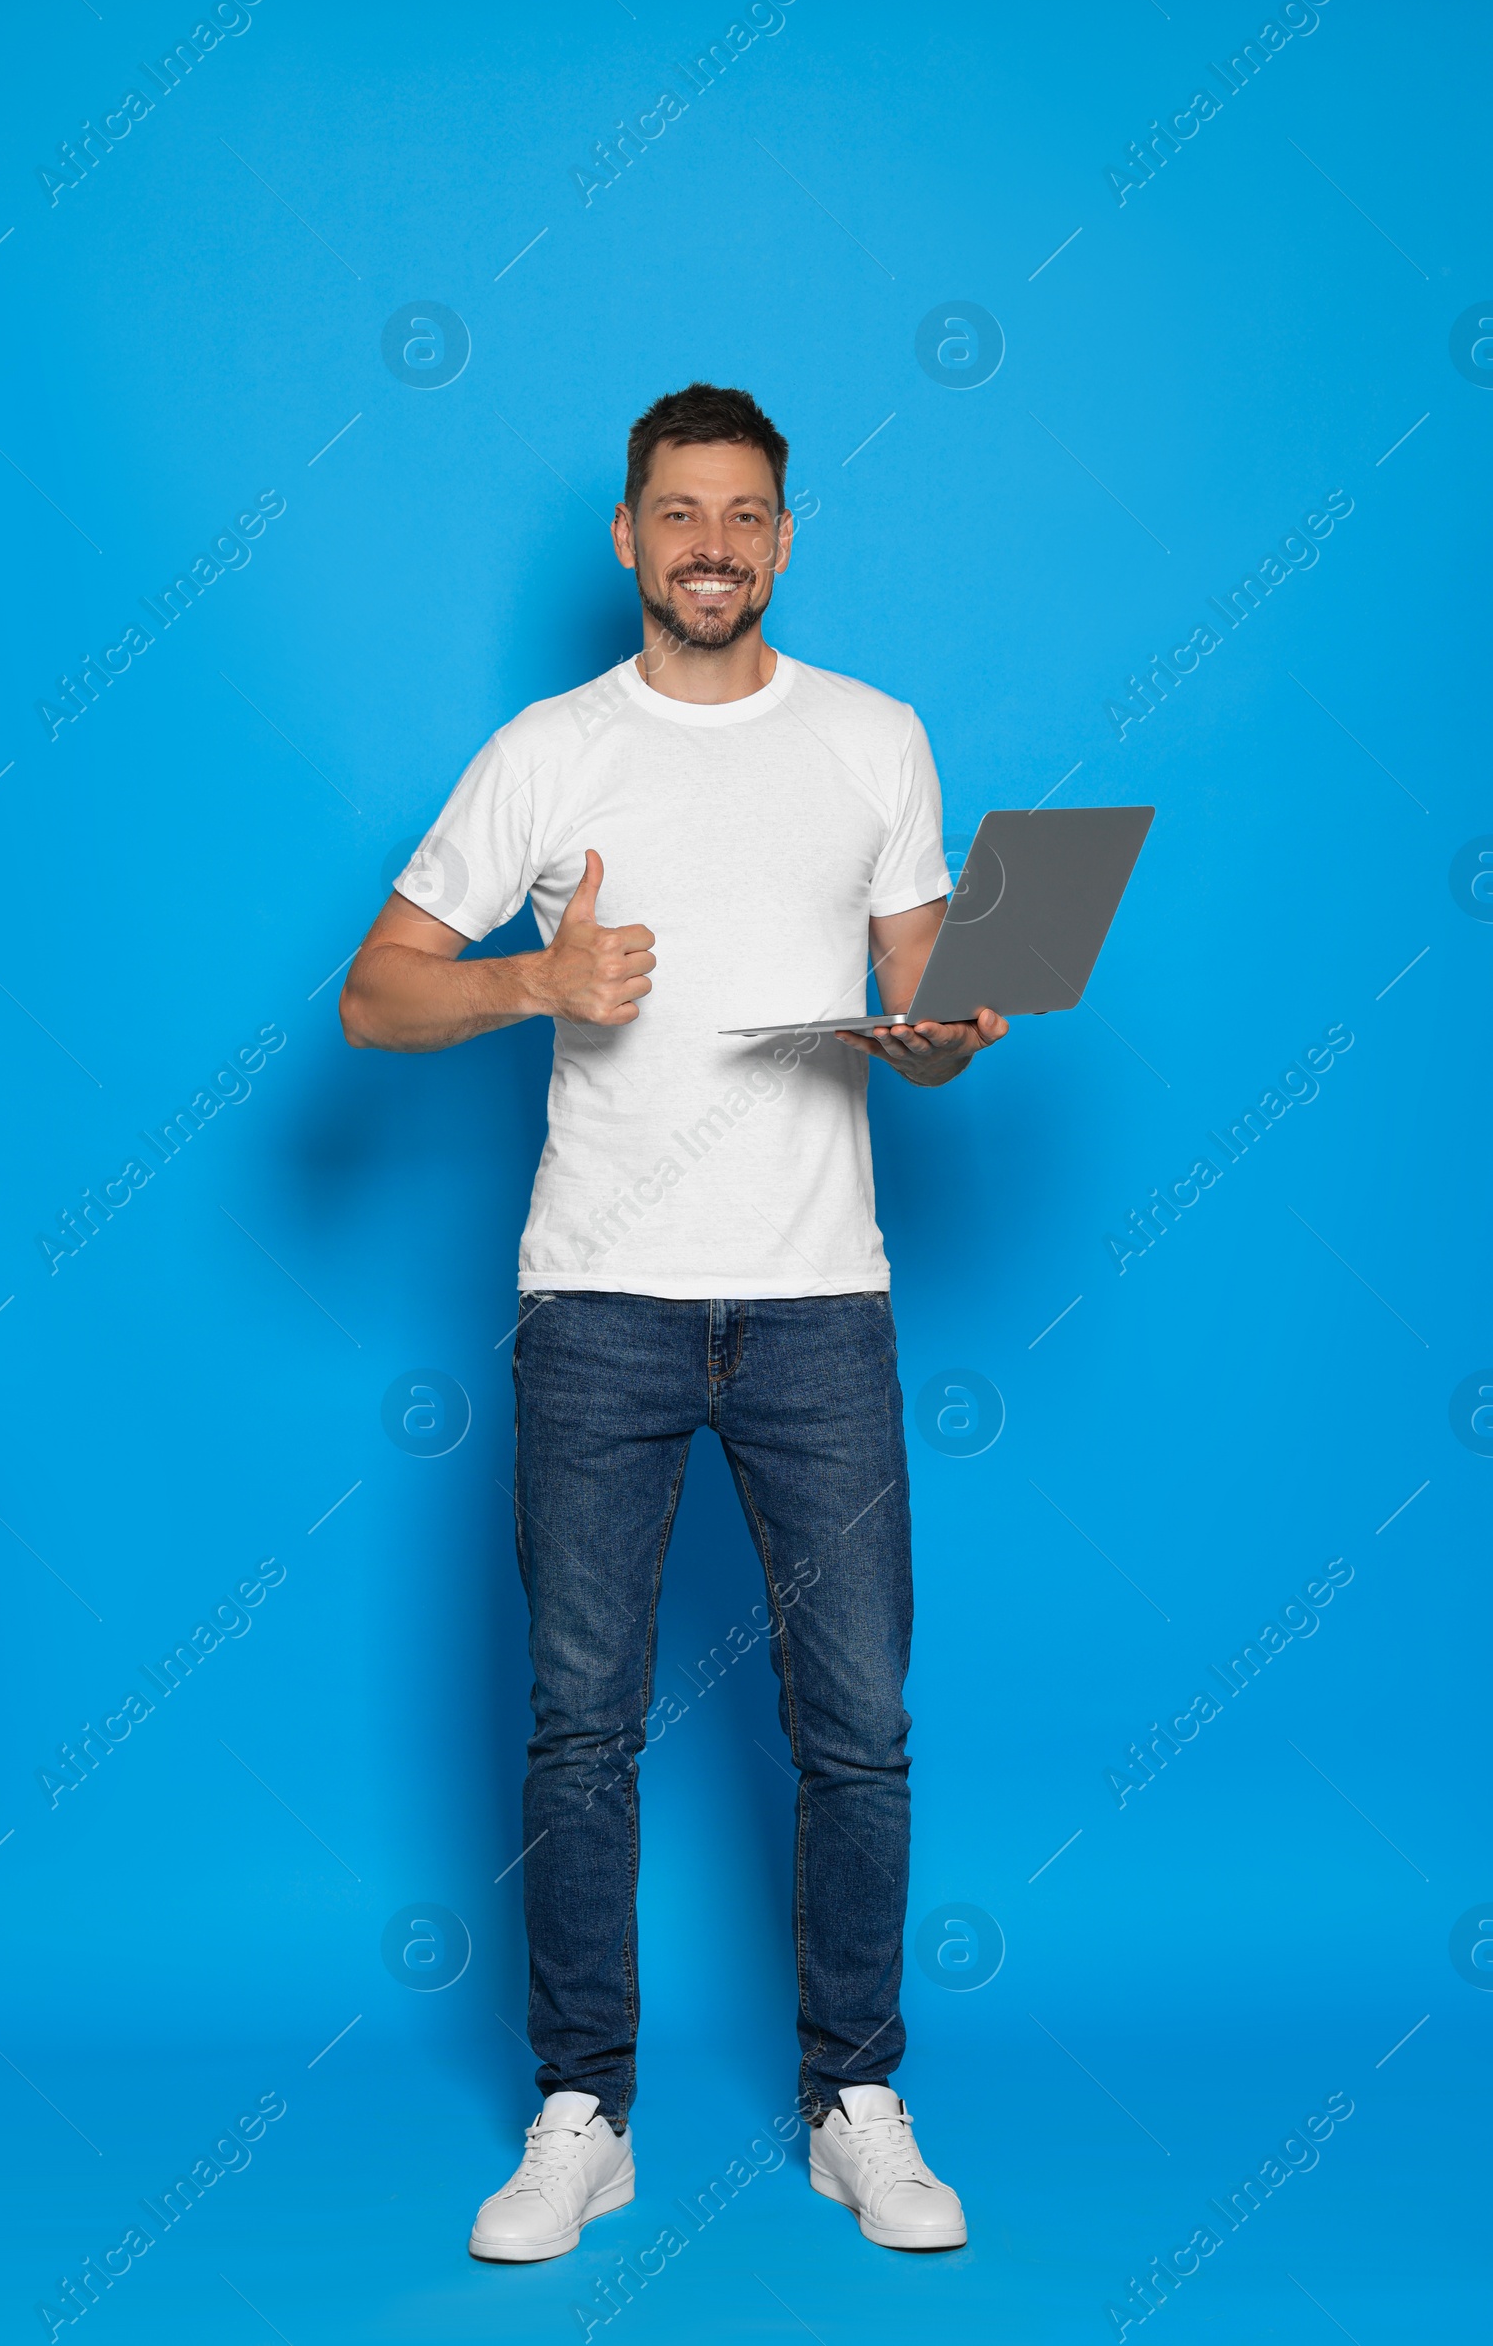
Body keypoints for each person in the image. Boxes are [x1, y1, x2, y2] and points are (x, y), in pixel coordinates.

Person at [339, 382, 1007, 2261]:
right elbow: (373, 997)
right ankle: (584, 2111)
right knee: (580, 1723)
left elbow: (925, 996)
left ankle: (856, 2099)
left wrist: (951, 1031)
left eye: (746, 515)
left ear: (784, 541)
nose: (712, 544)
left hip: (819, 1303)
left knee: (859, 1725)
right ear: (628, 540)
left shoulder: (879, 740)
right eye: (678, 513)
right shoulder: (549, 752)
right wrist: (537, 978)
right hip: (601, 1309)